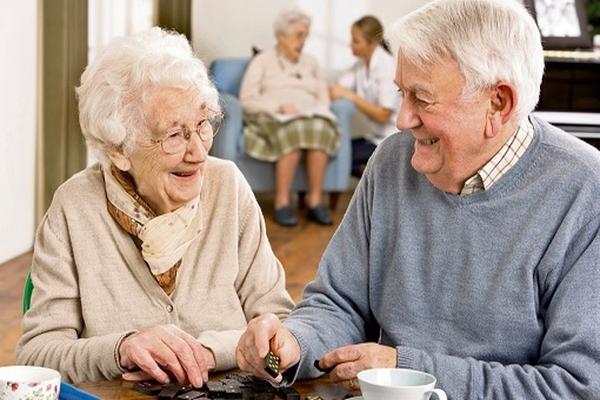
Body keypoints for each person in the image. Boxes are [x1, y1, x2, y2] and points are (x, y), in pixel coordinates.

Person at [236, 0, 600, 398]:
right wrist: (296, 342)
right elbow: (339, 303)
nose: (401, 119)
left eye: (421, 99)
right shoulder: (392, 161)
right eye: (401, 93)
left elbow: (576, 386)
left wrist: (409, 370)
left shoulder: (585, 192)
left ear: (498, 103)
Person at [16, 28, 294, 385]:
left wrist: (207, 353)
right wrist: (121, 348)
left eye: (202, 125)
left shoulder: (228, 187)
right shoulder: (75, 207)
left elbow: (279, 325)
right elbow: (38, 355)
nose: (198, 152)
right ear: (118, 149)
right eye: (174, 135)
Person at [239, 9, 340, 227]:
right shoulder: (262, 61)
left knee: (320, 128)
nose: (303, 41)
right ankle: (282, 203)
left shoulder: (311, 63)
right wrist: (278, 106)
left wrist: (319, 110)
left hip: (309, 115)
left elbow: (323, 97)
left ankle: (314, 201)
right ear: (281, 36)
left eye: (306, 35)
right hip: (274, 115)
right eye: (299, 35)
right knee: (293, 131)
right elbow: (247, 99)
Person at [330, 15, 401, 177]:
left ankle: (373, 177)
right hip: (375, 137)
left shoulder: (386, 66)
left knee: (341, 159)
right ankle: (371, 176)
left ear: (372, 43)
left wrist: (351, 96)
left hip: (393, 137)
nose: (351, 44)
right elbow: (337, 89)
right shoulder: (361, 65)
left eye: (356, 41)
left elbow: (384, 115)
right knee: (335, 151)